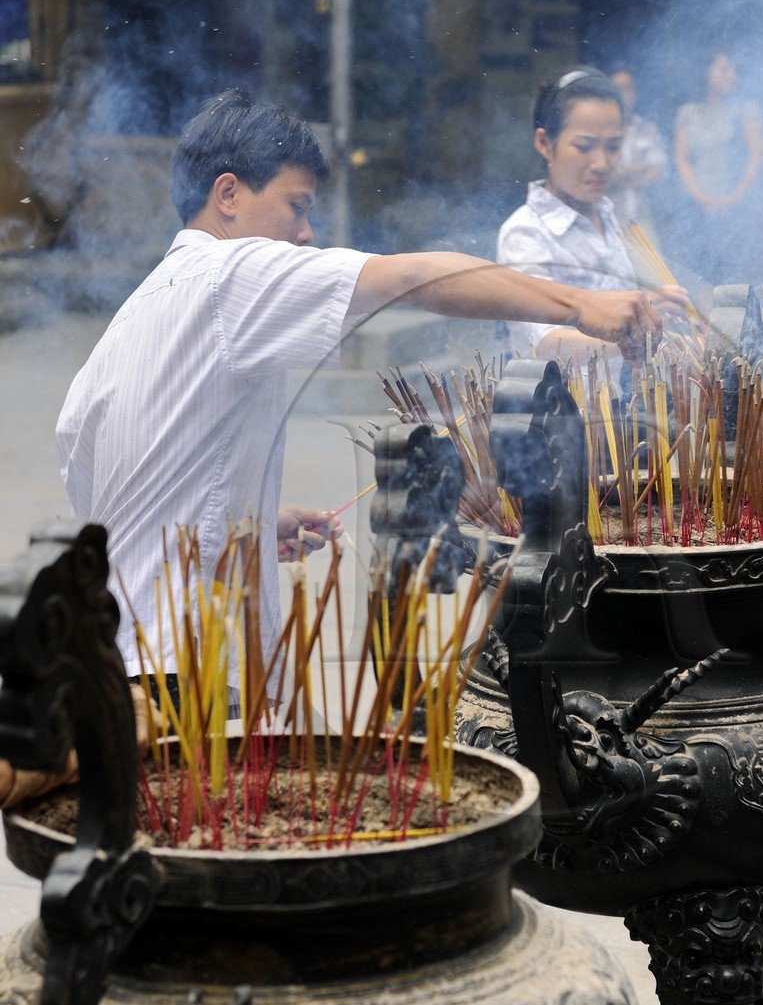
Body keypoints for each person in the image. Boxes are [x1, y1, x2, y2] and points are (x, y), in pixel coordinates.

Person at [56, 87, 662, 681]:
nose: (306, 232)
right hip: (184, 671)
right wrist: (581, 304)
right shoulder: (228, 274)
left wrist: (248, 521)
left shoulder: (133, 316)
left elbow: (107, 487)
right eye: (297, 206)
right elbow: (418, 276)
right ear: (228, 194)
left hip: (113, 659)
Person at [497, 66, 689, 365]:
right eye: (584, 147)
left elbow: (622, 310)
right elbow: (546, 343)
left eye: (613, 146)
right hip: (558, 408)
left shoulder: (611, 218)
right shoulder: (525, 233)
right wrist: (635, 328)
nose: (601, 163)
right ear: (544, 144)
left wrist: (654, 312)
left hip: (616, 404)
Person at [673, 52, 763, 281]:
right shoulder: (687, 112)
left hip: (736, 205)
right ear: (706, 73)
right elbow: (682, 159)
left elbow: (756, 155)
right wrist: (701, 197)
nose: (731, 75)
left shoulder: (745, 110)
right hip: (695, 206)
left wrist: (733, 197)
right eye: (724, 69)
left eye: (734, 70)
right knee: (697, 271)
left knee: (732, 273)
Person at [608, 67, 668, 249]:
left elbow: (660, 172)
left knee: (654, 275)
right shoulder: (600, 130)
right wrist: (630, 171)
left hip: (641, 219)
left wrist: (621, 174)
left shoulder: (648, 128)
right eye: (617, 89)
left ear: (634, 93)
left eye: (628, 88)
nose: (623, 94)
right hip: (607, 221)